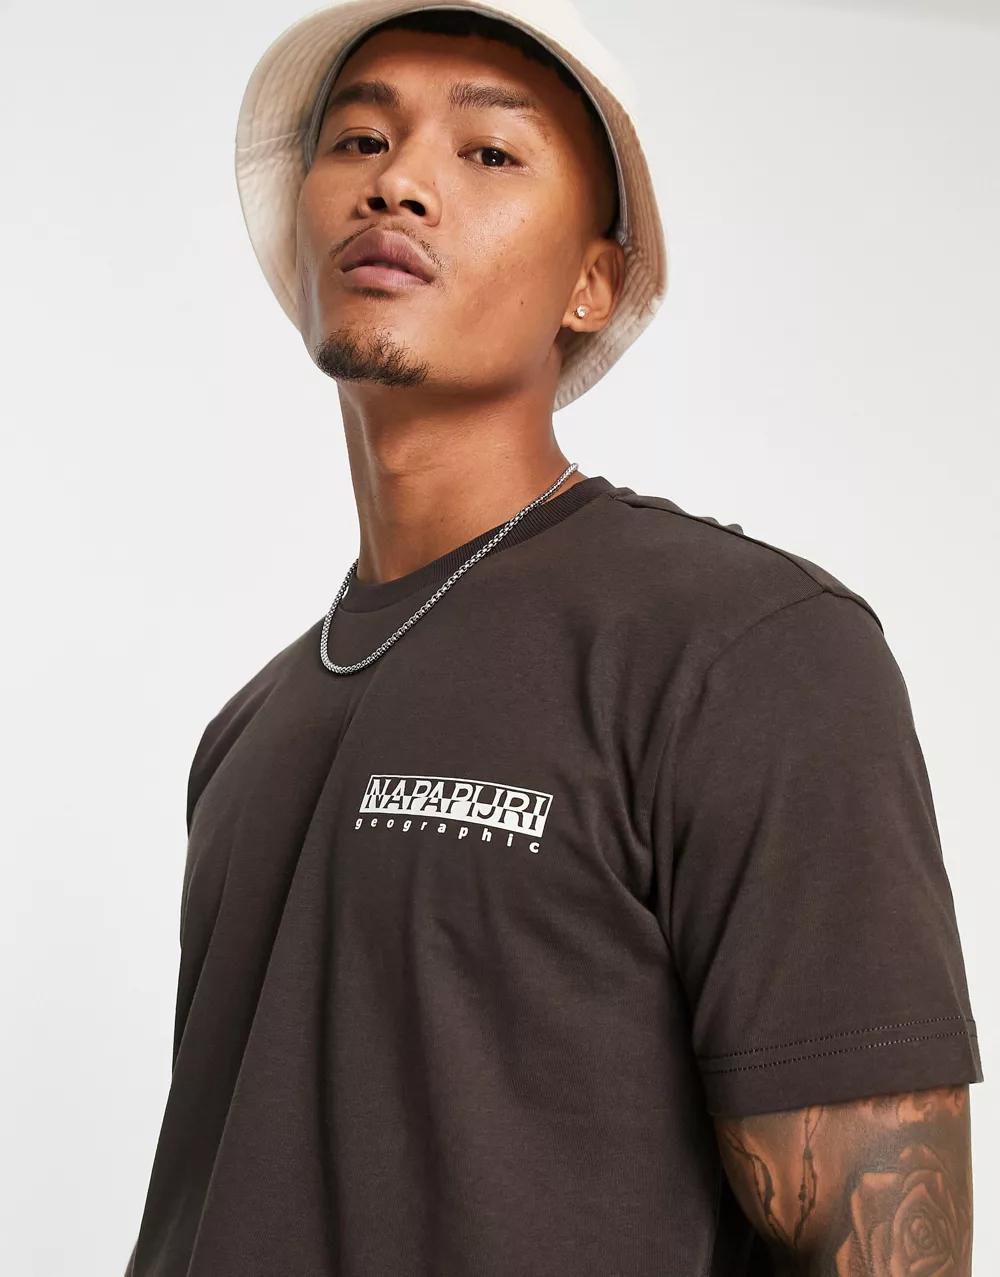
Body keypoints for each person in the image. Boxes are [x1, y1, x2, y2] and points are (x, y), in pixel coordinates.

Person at [123, 2, 983, 1273]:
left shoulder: (742, 649)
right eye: (359, 140)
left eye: (488, 152)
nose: (398, 183)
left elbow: (882, 1240)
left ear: (592, 282)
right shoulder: (248, 728)